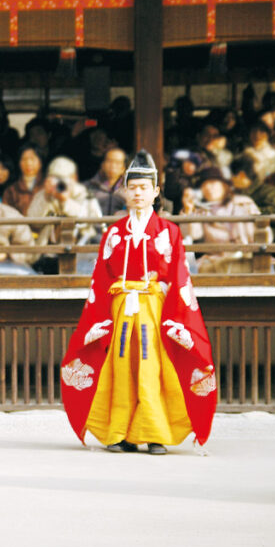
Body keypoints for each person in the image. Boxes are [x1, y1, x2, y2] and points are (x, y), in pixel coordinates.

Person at [60, 150, 216, 455]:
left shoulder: (169, 232)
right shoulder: (114, 233)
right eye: (132, 188)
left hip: (155, 308)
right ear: (124, 192)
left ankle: (155, 433)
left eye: (145, 188)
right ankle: (120, 433)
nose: (138, 193)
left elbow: (180, 278)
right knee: (120, 367)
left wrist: (176, 318)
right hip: (121, 307)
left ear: (156, 192)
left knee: (152, 366)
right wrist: (100, 318)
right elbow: (100, 281)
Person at [181, 167, 270, 274]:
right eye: (204, 185)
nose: (208, 188)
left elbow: (265, 232)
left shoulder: (244, 203)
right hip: (217, 260)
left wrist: (254, 249)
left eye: (213, 183)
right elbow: (192, 235)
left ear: (224, 185)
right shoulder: (201, 211)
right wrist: (188, 209)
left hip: (249, 257)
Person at [1, 144, 45, 216]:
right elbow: (6, 215)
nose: (28, 163)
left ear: (40, 162)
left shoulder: (48, 186)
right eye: (24, 159)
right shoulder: (11, 190)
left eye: (32, 159)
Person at [85, 148, 128, 216]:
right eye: (109, 161)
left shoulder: (129, 189)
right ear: (102, 165)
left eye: (117, 162)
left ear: (123, 168)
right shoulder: (88, 187)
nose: (113, 166)